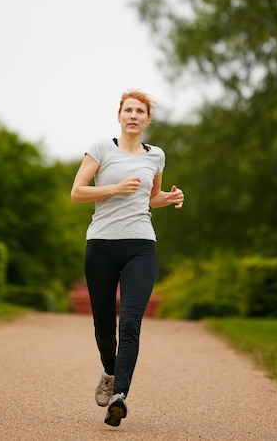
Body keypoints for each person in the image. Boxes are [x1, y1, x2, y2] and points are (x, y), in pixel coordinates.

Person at [71, 89, 184, 427]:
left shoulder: (156, 156)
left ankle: (119, 395)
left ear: (147, 120)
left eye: (140, 111)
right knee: (105, 328)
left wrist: (171, 197)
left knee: (131, 322)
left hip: (140, 246)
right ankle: (109, 370)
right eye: (128, 110)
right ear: (119, 116)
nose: (133, 115)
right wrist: (113, 189)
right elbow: (77, 192)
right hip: (101, 245)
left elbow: (151, 198)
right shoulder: (102, 148)